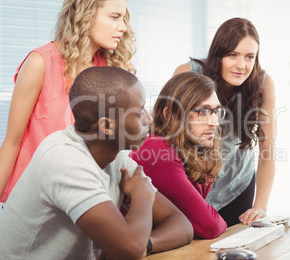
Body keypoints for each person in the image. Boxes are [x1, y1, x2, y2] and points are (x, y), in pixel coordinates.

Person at [0, 66, 193, 259]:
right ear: (107, 126)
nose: (149, 120)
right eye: (139, 112)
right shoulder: (65, 161)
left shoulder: (117, 158)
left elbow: (181, 225)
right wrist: (143, 195)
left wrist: (147, 245)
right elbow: (130, 250)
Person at [0, 0, 137, 204]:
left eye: (123, 19)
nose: (123, 27)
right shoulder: (40, 63)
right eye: (114, 17)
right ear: (86, 14)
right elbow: (12, 142)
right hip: (34, 197)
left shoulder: (109, 68)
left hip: (87, 196)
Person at [174, 17, 276, 227]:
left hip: (236, 184)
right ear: (218, 54)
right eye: (233, 55)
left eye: (250, 57)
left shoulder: (263, 84)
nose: (242, 65)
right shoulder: (188, 73)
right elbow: (168, 137)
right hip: (192, 182)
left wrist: (260, 207)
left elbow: (268, 150)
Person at [130, 72, 227, 239]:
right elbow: (209, 226)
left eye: (216, 111)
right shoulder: (157, 150)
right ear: (170, 115)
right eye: (203, 111)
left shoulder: (193, 150)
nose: (214, 122)